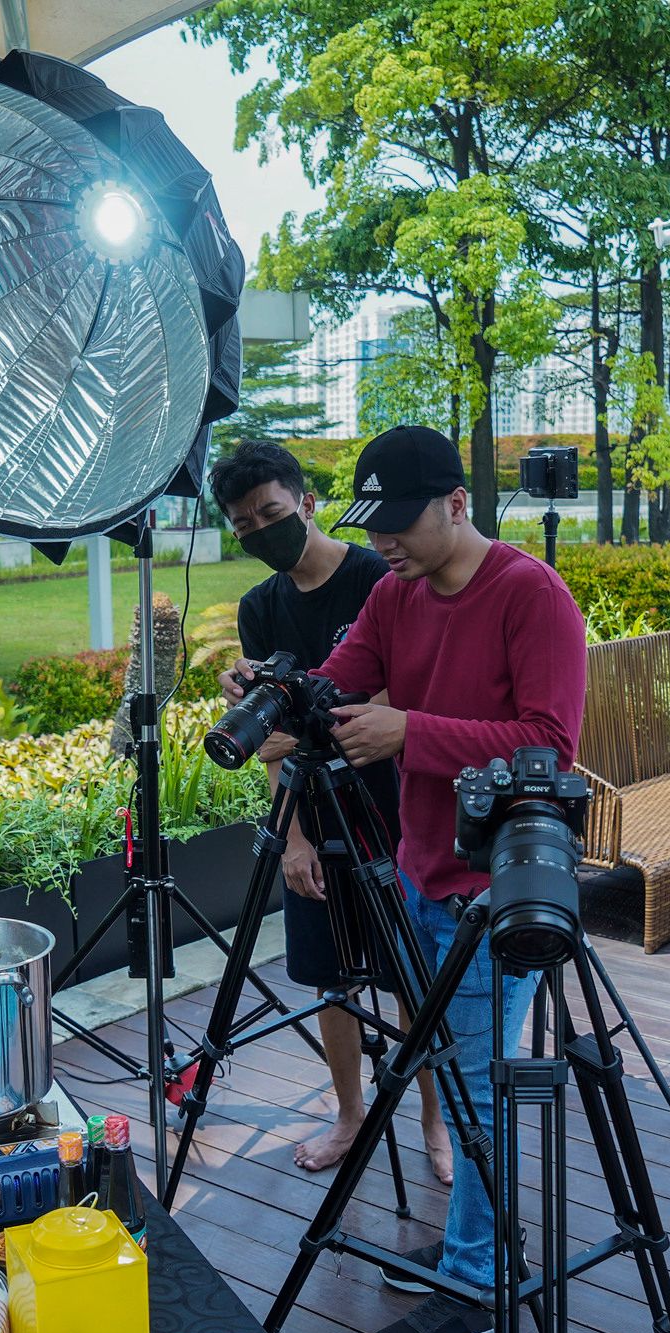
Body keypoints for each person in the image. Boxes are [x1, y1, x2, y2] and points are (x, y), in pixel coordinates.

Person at [227, 423, 587, 1333]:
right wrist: (279, 694)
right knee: (461, 1077)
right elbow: (336, 681)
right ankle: (467, 1246)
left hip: (495, 890)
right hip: (416, 874)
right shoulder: (395, 594)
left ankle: (478, 1284)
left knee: (478, 1090)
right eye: (371, 522)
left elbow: (550, 748)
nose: (381, 541)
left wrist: (409, 734)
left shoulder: (530, 595)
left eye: (400, 521)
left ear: (458, 505)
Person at [210, 439, 452, 1180]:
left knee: (413, 976)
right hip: (312, 811)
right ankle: (349, 1115)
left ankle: (436, 1126)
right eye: (244, 526)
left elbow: (399, 693)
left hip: (390, 808)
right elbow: (278, 739)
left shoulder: (379, 577)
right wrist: (294, 840)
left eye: (272, 514)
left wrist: (326, 716)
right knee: (331, 977)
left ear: (308, 502)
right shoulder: (261, 608)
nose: (261, 532)